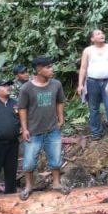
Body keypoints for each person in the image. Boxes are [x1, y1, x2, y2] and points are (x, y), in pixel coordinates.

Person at [18, 56, 69, 200]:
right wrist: (25, 129)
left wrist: (61, 119)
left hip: (52, 129)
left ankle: (57, 183)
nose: (51, 69)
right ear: (39, 70)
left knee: (56, 158)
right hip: (34, 131)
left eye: (51, 66)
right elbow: (22, 108)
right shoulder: (27, 88)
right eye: (48, 67)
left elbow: (60, 102)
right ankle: (28, 186)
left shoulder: (56, 84)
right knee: (29, 161)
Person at [76, 30, 108, 140]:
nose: (101, 35)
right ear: (92, 39)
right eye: (98, 34)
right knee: (93, 108)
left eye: (102, 33)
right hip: (92, 82)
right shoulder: (88, 50)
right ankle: (96, 132)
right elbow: (83, 68)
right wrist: (80, 84)